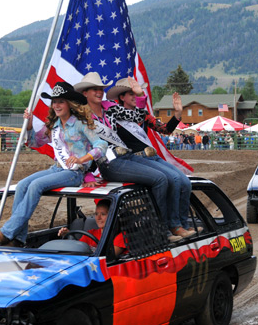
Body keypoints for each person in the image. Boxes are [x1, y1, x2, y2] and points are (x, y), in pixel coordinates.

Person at [0, 82, 108, 247]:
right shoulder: (53, 126)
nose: (56, 105)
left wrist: (82, 159)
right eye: (54, 102)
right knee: (22, 185)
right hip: (57, 168)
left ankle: (7, 233)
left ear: (69, 104)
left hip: (74, 173)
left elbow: (101, 146)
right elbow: (35, 142)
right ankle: (18, 239)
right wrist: (29, 125)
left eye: (60, 101)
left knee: (36, 185)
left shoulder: (80, 124)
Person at [73, 72, 183, 239]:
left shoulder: (110, 108)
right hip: (110, 163)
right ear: (85, 93)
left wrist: (139, 95)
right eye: (94, 89)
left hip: (128, 156)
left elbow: (138, 116)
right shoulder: (80, 118)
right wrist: (87, 175)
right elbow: (80, 148)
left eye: (100, 89)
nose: (98, 92)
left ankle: (168, 225)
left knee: (168, 178)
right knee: (160, 179)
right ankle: (161, 231)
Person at [105, 77, 194, 238]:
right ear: (122, 97)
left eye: (136, 94)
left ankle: (182, 224)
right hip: (137, 160)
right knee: (173, 179)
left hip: (153, 157)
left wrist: (178, 114)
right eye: (130, 94)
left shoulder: (143, 115)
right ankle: (172, 226)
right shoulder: (115, 118)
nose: (134, 96)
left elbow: (165, 129)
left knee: (185, 182)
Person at [57, 199, 126, 256]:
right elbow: (78, 248)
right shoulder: (91, 233)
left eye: (103, 214)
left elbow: (108, 258)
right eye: (96, 214)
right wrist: (69, 235)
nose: (98, 218)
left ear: (112, 216)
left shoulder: (121, 237)